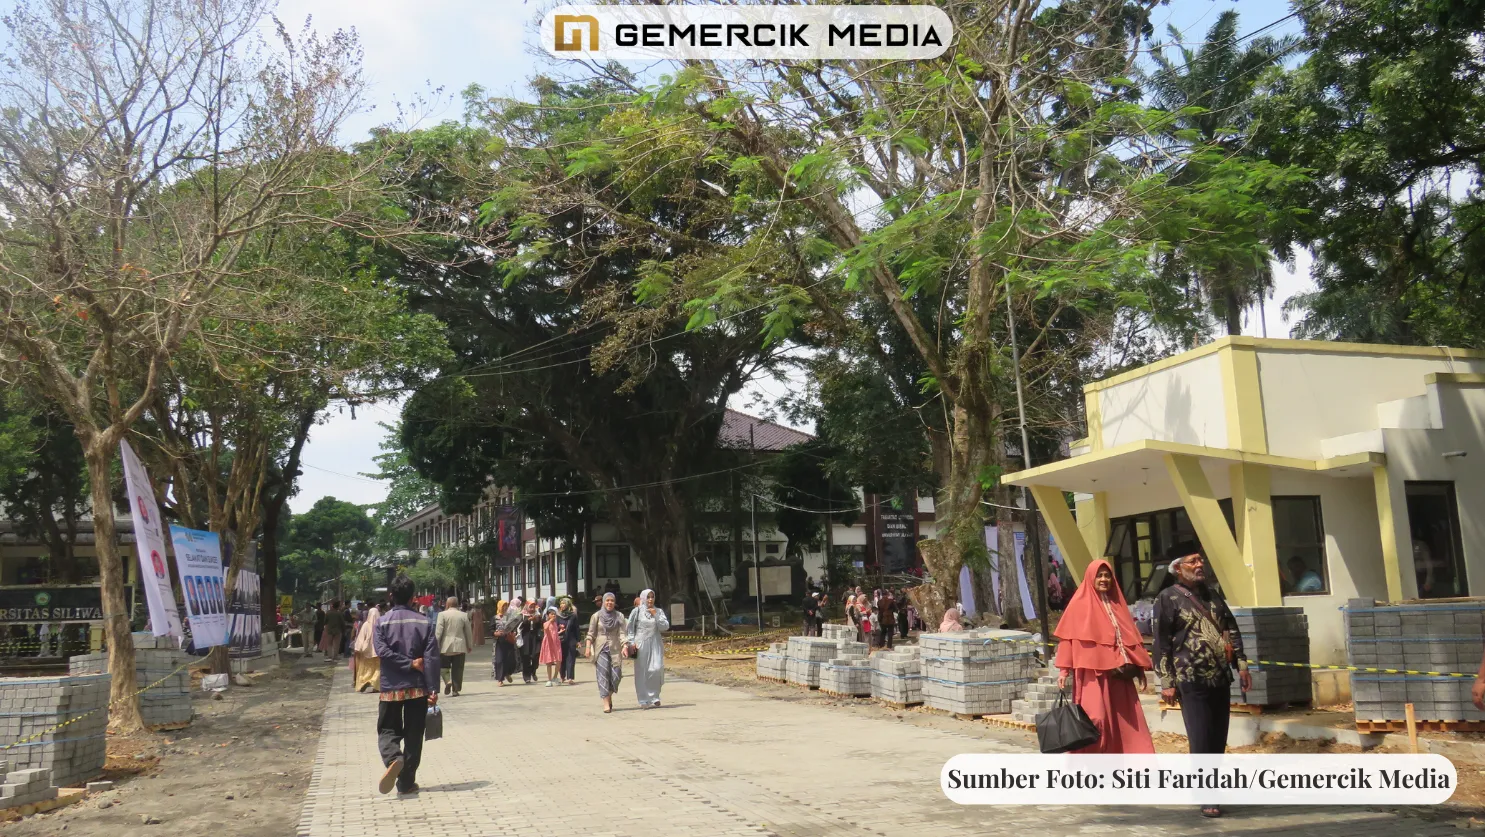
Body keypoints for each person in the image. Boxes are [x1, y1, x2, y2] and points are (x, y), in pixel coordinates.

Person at [1153, 546, 1251, 819]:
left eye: (1200, 560)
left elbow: (1230, 629)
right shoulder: (1167, 598)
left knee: (1218, 738)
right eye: (1192, 561)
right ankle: (1207, 794)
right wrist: (1166, 681)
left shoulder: (1212, 595)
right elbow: (1161, 643)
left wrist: (1242, 665)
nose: (1199, 565)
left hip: (1220, 677)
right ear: (1178, 568)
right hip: (1189, 678)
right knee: (1201, 737)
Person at [1054, 559, 1155, 754]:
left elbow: (1131, 638)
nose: (1103, 579)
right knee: (1095, 718)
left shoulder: (1118, 605)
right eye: (1099, 575)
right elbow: (1068, 639)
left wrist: (1140, 669)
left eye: (1107, 576)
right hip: (1091, 673)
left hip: (1119, 673)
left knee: (1125, 721)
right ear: (1090, 578)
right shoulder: (1078, 604)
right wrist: (1064, 670)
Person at [373, 574, 439, 796]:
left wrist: (405, 663)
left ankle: (393, 758)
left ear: (391, 596)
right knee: (414, 734)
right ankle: (406, 783)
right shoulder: (424, 622)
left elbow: (382, 652)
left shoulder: (382, 622)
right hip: (417, 688)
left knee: (387, 729)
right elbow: (431, 658)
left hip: (390, 687)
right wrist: (433, 689)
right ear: (413, 598)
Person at [627, 589, 670, 708]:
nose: (650, 599)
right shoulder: (636, 611)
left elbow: (664, 627)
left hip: (655, 643)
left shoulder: (659, 611)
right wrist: (631, 642)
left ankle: (654, 696)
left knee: (656, 668)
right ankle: (643, 699)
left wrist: (655, 615)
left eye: (652, 597)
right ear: (643, 598)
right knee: (642, 671)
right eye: (648, 597)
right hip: (641, 643)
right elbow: (630, 628)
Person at [585, 592, 628, 713]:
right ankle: (605, 703)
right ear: (603, 602)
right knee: (603, 674)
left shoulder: (619, 616)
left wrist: (625, 645)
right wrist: (587, 647)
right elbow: (591, 634)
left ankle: (608, 695)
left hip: (615, 648)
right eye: (607, 600)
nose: (609, 603)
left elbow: (623, 633)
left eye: (612, 601)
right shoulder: (596, 616)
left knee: (616, 675)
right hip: (601, 648)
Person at [436, 597, 474, 697]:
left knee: (443, 667)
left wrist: (436, 644)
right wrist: (469, 645)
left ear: (447, 604)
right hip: (460, 646)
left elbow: (438, 631)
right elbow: (468, 632)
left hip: (445, 646)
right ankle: (455, 690)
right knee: (458, 669)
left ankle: (448, 681)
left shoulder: (442, 615)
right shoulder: (463, 615)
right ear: (457, 604)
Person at [353, 604, 382, 693]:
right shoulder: (381, 624)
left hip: (366, 651)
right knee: (378, 669)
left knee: (366, 669)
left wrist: (357, 648)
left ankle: (364, 681)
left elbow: (361, 638)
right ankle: (374, 683)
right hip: (379, 651)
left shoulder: (366, 625)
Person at [490, 599, 517, 686]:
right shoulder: (495, 618)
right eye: (503, 606)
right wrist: (496, 633)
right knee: (499, 660)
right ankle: (500, 679)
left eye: (506, 606)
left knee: (510, 660)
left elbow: (513, 627)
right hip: (499, 642)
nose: (505, 608)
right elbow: (491, 630)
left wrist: (513, 633)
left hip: (509, 641)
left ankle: (507, 673)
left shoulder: (509, 617)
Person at [556, 597, 581, 685]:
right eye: (561, 603)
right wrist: (559, 627)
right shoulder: (558, 615)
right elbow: (555, 627)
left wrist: (578, 640)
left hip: (571, 638)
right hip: (561, 638)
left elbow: (576, 628)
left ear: (568, 605)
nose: (562, 605)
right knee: (561, 658)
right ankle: (562, 676)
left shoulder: (573, 615)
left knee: (571, 658)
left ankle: (570, 677)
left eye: (564, 603)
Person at [518, 599, 542, 684]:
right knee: (526, 656)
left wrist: (536, 620)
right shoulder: (522, 615)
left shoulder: (537, 615)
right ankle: (526, 676)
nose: (532, 609)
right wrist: (528, 620)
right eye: (530, 607)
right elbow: (519, 626)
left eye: (533, 607)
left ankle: (533, 671)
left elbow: (541, 626)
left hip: (535, 637)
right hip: (526, 637)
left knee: (536, 655)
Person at [539, 606, 564, 687]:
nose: (553, 616)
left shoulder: (555, 624)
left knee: (559, 660)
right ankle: (549, 679)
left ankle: (555, 676)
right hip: (548, 643)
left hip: (556, 643)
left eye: (554, 614)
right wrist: (550, 620)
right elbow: (546, 628)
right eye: (552, 614)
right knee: (549, 662)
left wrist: (560, 631)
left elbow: (554, 633)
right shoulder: (546, 623)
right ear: (548, 615)